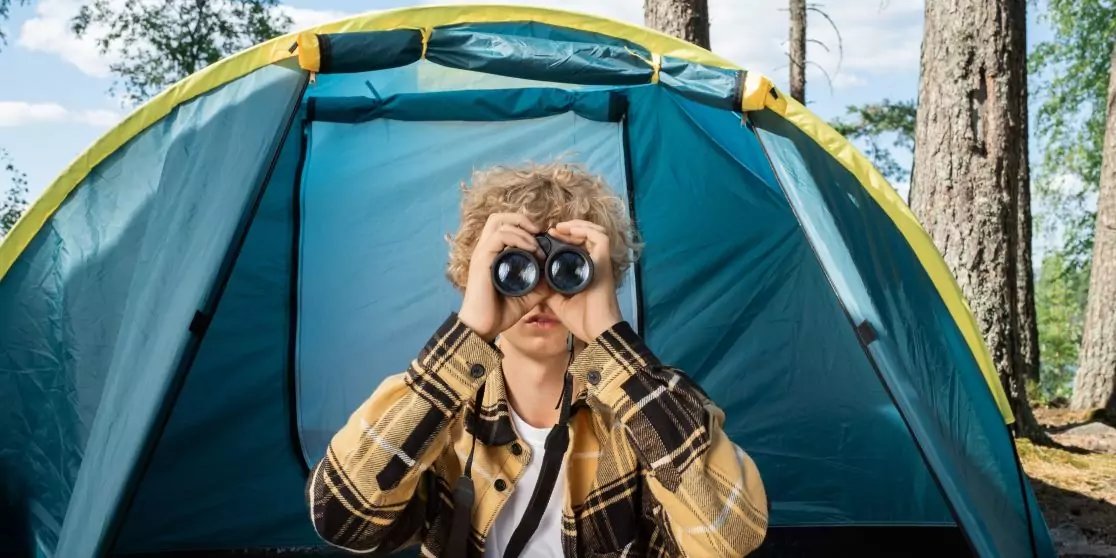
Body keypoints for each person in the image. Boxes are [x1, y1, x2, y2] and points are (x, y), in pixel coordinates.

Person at [306, 163, 768, 557]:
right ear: (475, 276)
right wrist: (470, 333)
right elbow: (343, 518)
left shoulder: (653, 406)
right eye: (516, 267)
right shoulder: (439, 406)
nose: (541, 293)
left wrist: (612, 340)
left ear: (605, 276)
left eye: (569, 269)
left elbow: (731, 538)